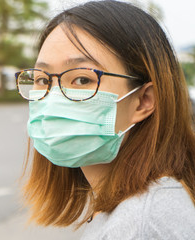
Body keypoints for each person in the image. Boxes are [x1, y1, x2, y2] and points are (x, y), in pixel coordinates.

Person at [16, 1, 195, 239]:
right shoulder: (136, 203)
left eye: (81, 79)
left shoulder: (140, 223)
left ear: (143, 100)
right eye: (42, 80)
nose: (52, 98)